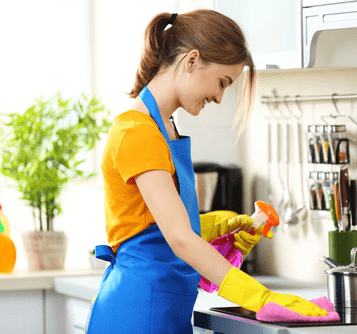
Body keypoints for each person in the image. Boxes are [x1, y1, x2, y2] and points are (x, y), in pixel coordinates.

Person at [86, 10, 327, 334]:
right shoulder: (137, 133)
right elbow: (179, 238)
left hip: (165, 309)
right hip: (137, 313)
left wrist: (220, 228)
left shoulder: (166, 129)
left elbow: (152, 225)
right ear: (192, 60)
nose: (219, 96)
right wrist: (260, 297)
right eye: (222, 82)